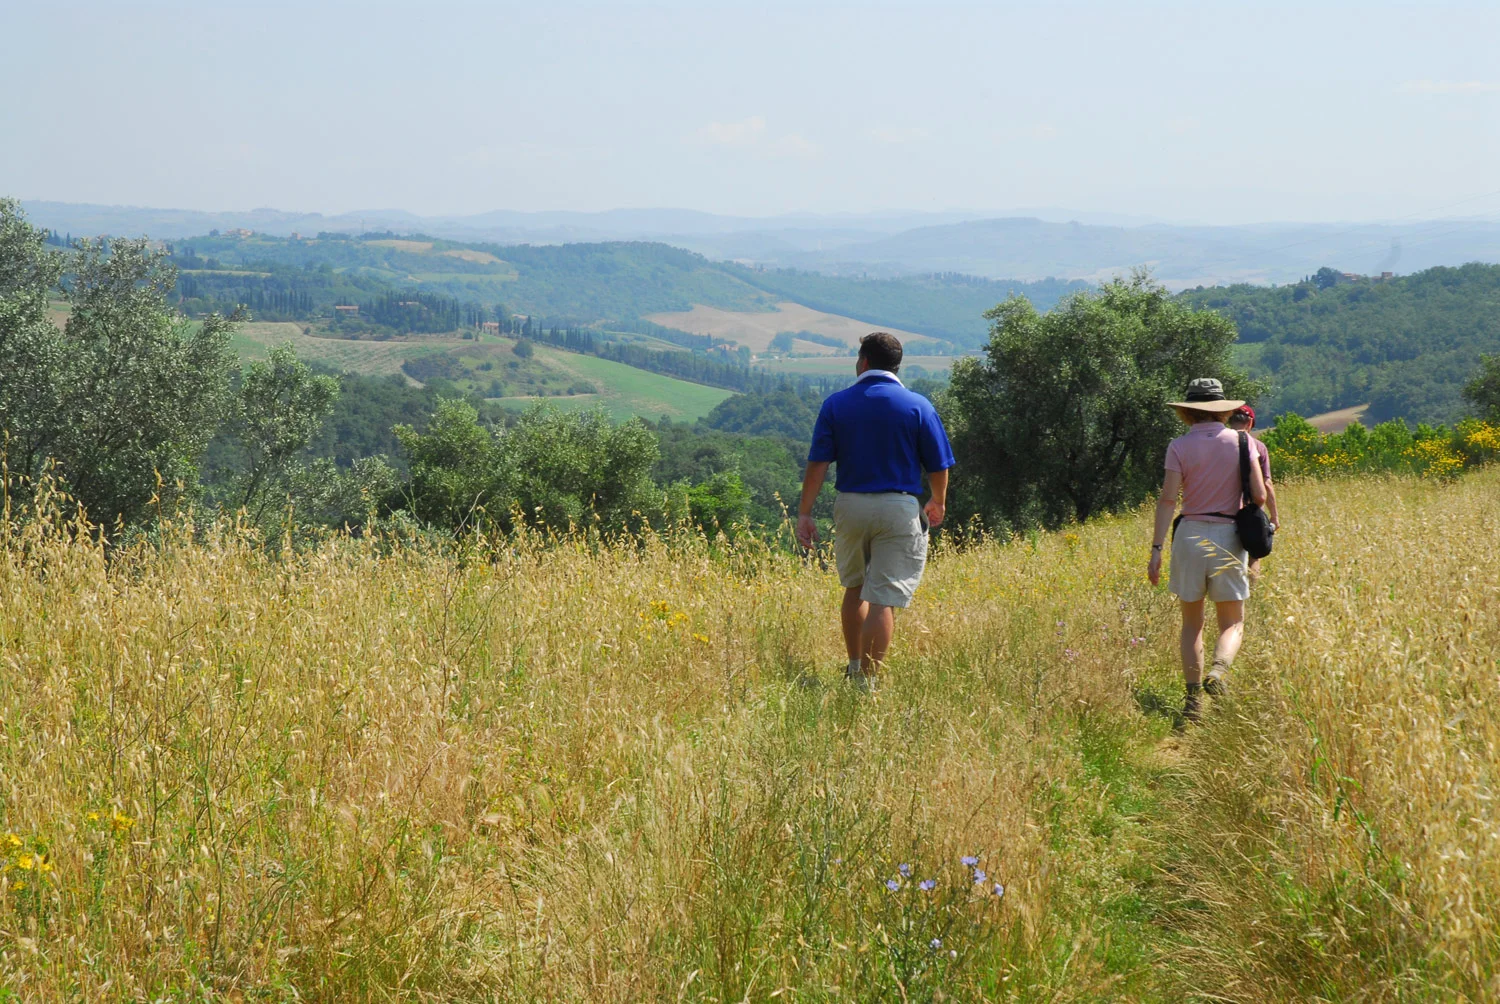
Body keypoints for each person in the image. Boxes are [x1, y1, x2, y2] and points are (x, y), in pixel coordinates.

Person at [796, 332, 955, 690]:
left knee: (854, 587)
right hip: (899, 506)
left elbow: (818, 464)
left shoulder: (836, 405)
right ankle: (865, 685)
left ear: (864, 362)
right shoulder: (918, 405)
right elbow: (939, 463)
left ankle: (853, 666)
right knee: (882, 599)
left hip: (850, 505)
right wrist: (937, 500)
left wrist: (805, 513)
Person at [1146, 378, 1267, 724]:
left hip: (1188, 536)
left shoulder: (1178, 446)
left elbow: (1168, 499)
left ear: (1187, 411)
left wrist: (1156, 549)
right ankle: (1219, 672)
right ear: (1223, 409)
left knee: (1191, 625)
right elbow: (1259, 496)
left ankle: (1192, 702)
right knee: (1232, 622)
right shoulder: (1244, 442)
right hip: (1229, 535)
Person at [1228, 405, 1280, 578]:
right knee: (1254, 555)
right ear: (1250, 423)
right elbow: (1267, 484)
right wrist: (1274, 517)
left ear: (1230, 420)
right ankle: (1251, 593)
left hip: (1224, 509)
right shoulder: (1258, 447)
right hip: (1251, 509)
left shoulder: (1218, 444)